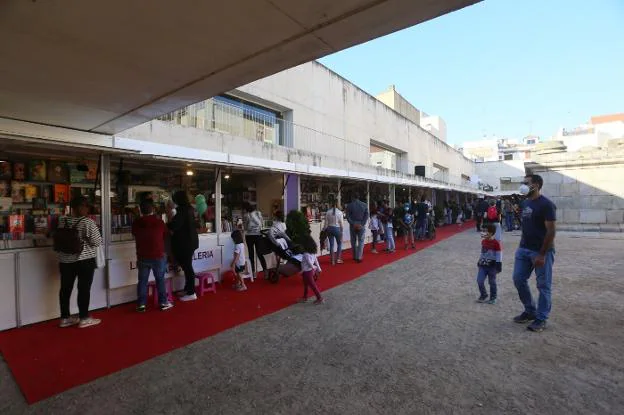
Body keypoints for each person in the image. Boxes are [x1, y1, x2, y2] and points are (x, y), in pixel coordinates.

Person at [512, 174, 557, 332]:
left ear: (536, 185)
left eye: (526, 183)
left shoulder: (547, 205)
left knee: (543, 286)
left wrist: (542, 254)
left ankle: (541, 318)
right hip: (523, 249)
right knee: (518, 279)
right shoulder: (524, 203)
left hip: (541, 251)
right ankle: (530, 310)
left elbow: (551, 231)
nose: (522, 185)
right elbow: (527, 225)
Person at [55, 196, 103, 328]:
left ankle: (65, 318)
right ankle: (84, 318)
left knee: (65, 289)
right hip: (84, 260)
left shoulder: (62, 220)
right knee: (83, 289)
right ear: (81, 207)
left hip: (65, 261)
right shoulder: (87, 222)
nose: (88, 209)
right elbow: (97, 242)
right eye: (86, 206)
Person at [132, 199, 173, 312]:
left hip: (142, 256)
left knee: (142, 281)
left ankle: (141, 304)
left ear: (140, 210)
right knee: (160, 280)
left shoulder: (136, 223)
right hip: (157, 255)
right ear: (152, 209)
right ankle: (163, 302)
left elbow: (134, 233)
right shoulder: (159, 222)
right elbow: (166, 235)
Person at [168, 190, 199, 302]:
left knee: (187, 268)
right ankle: (188, 289)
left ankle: (191, 292)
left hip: (184, 243)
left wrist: (169, 217)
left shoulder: (181, 210)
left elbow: (174, 226)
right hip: (190, 242)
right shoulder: (190, 208)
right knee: (187, 267)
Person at [476, 224, 502, 305]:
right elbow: (482, 252)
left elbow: (499, 254)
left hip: (492, 266)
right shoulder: (483, 241)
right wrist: (479, 260)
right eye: (483, 231)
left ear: (491, 233)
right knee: (479, 281)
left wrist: (499, 264)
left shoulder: (496, 243)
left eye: (485, 231)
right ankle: (483, 294)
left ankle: (493, 297)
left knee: (492, 282)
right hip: (483, 265)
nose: (483, 233)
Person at [243, 203, 269, 278]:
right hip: (258, 235)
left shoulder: (246, 215)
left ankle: (253, 273)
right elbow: (262, 224)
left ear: (246, 209)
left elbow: (245, 227)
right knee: (260, 253)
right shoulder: (258, 213)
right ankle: (265, 271)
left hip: (249, 236)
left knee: (251, 255)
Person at [298, 234, 323, 304]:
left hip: (307, 272)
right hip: (308, 271)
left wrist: (314, 267)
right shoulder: (313, 252)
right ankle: (305, 297)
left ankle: (319, 298)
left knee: (312, 285)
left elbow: (309, 263)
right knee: (306, 285)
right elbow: (316, 260)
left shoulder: (306, 254)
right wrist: (319, 268)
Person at [346, 193, 369, 263]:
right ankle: (359, 257)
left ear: (353, 197)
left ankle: (355, 256)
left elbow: (348, 216)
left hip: (353, 225)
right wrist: (362, 224)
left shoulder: (349, 205)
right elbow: (366, 216)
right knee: (361, 241)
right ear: (359, 197)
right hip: (361, 224)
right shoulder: (364, 205)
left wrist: (353, 223)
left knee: (353, 241)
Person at [324, 199, 344, 265]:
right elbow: (341, 224)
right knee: (339, 244)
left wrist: (324, 230)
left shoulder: (328, 212)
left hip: (329, 229)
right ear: (337, 204)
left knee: (331, 245)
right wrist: (342, 232)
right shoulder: (340, 212)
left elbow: (325, 224)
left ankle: (332, 261)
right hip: (337, 229)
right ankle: (338, 259)